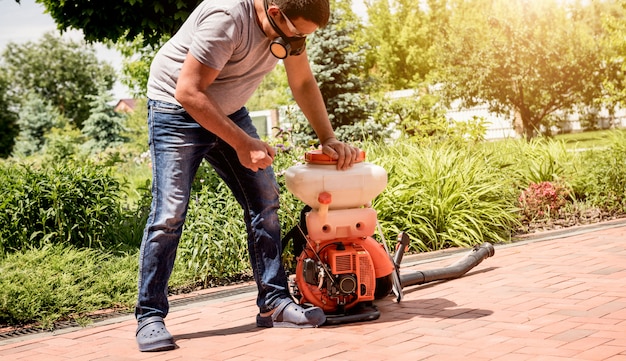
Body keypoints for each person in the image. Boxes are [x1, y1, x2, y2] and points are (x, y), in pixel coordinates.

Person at [134, 0, 360, 352]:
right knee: (170, 212)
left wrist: (327, 137)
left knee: (265, 199)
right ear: (274, 13)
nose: (300, 42)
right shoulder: (226, 18)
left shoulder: (289, 27)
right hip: (176, 110)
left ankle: (274, 304)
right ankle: (149, 316)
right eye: (297, 33)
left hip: (226, 108)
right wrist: (242, 143)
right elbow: (188, 91)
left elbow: (302, 81)